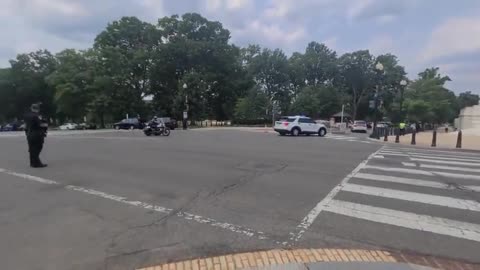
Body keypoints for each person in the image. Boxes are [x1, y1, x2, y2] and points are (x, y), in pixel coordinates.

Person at [24, 103, 48, 168]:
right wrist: (46, 125)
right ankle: (37, 163)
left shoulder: (26, 115)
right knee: (38, 148)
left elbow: (25, 126)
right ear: (37, 109)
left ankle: (32, 163)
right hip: (37, 134)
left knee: (31, 149)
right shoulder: (36, 116)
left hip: (29, 134)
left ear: (31, 108)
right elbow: (39, 124)